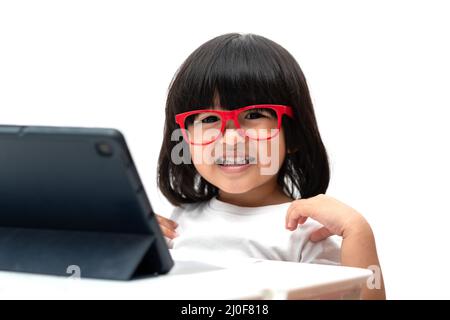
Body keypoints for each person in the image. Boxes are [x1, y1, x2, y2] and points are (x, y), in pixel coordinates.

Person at [156, 33, 385, 299]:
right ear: (184, 139)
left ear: (294, 135)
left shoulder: (307, 232)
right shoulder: (181, 220)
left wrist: (357, 231)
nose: (230, 138)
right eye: (207, 119)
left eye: (254, 115)